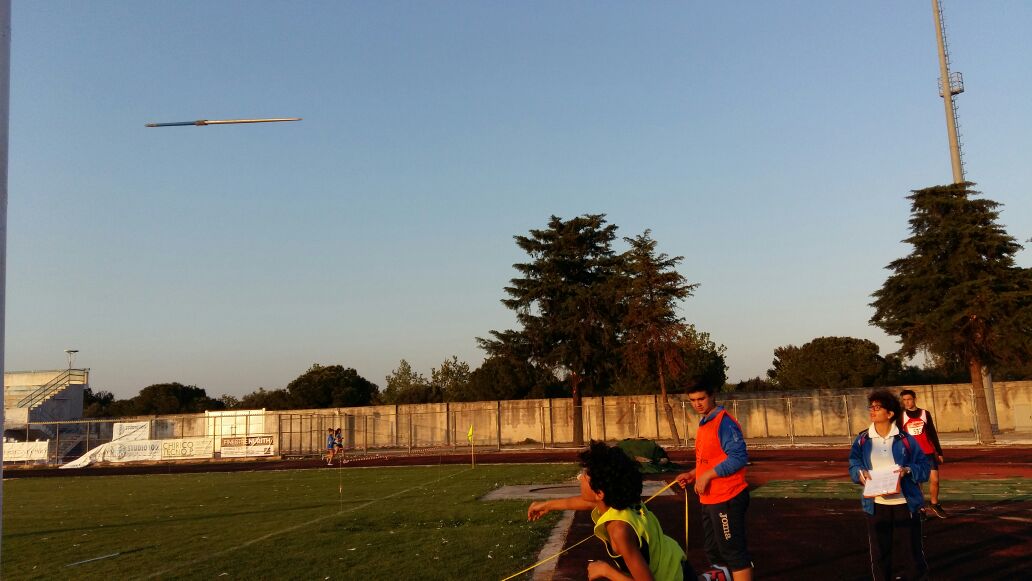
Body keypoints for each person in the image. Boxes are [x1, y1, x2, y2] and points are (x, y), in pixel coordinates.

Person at [527, 441, 693, 581]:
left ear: (600, 493)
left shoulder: (619, 530)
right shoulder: (624, 498)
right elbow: (587, 503)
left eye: (584, 476)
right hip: (679, 563)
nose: (580, 478)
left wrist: (606, 571)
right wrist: (547, 505)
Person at [849, 389, 931, 581]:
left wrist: (907, 470)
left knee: (912, 554)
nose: (872, 410)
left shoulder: (906, 440)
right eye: (871, 407)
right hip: (876, 505)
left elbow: (924, 467)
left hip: (904, 504)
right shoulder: (862, 440)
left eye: (877, 407)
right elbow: (854, 463)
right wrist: (860, 473)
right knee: (880, 555)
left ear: (890, 413)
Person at [674, 387, 753, 581]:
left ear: (712, 396)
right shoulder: (705, 423)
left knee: (733, 552)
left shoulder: (724, 423)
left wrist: (707, 476)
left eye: (701, 398)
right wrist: (693, 474)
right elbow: (710, 460)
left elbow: (739, 458)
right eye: (692, 400)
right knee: (714, 550)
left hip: (727, 497)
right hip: (710, 498)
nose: (697, 404)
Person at [899, 389, 946, 518]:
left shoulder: (925, 413)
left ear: (914, 399)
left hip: (928, 452)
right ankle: (920, 509)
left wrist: (939, 452)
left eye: (909, 399)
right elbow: (898, 436)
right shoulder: (901, 416)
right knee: (918, 482)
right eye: (904, 400)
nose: (907, 402)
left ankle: (934, 504)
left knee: (935, 480)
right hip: (913, 454)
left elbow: (932, 433)